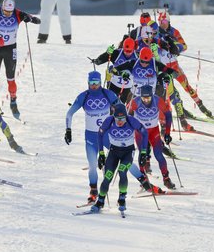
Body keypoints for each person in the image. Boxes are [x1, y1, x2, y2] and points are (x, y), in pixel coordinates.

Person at [65, 71, 119, 203]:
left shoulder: (108, 94)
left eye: (96, 83)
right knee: (92, 165)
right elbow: (69, 113)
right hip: (90, 137)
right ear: (88, 83)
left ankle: (129, 188)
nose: (94, 86)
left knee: (119, 157)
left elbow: (123, 109)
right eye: (91, 83)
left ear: (100, 83)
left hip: (106, 134)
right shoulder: (84, 96)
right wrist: (68, 130)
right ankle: (93, 190)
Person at [0, 0, 41, 117]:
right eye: (6, 11)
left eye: (10, 12)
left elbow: (35, 20)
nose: (8, 14)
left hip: (10, 49)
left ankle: (13, 101)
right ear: (2, 8)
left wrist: (30, 19)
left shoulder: (17, 13)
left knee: (10, 78)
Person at [91, 104, 148, 213]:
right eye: (117, 119)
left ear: (126, 116)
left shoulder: (132, 121)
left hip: (128, 152)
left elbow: (144, 133)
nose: (120, 121)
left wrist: (144, 152)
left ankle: (122, 198)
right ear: (114, 117)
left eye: (122, 119)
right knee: (108, 176)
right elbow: (100, 134)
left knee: (122, 171)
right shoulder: (109, 121)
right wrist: (101, 153)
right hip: (114, 152)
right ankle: (100, 201)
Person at [128, 85, 175, 189]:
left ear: (152, 96)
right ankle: (144, 181)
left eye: (148, 98)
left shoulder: (157, 100)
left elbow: (168, 115)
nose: (146, 100)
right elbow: (128, 117)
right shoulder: (135, 102)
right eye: (144, 98)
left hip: (154, 131)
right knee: (142, 155)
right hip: (140, 132)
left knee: (158, 154)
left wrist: (167, 133)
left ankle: (166, 179)